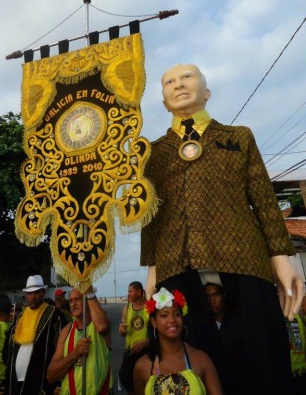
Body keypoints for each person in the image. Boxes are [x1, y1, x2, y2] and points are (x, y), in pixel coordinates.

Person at [141, 63, 304, 394]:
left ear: (207, 91)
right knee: (188, 350)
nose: (178, 85)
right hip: (176, 261)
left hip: (243, 257)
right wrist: (152, 266)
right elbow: (151, 213)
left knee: (261, 351)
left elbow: (262, 198)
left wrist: (280, 255)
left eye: (187, 77)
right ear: (163, 101)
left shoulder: (237, 137)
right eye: (169, 82)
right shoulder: (153, 153)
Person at [133, 287, 222, 395]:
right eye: (164, 315)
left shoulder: (201, 359)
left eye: (177, 314)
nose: (172, 320)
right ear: (153, 322)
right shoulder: (143, 366)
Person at [4, 274, 66, 395]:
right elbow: (9, 345)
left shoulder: (53, 315)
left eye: (36, 292)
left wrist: (57, 381)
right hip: (16, 381)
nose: (32, 297)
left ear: (43, 293)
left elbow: (61, 346)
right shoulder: (21, 316)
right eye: (29, 293)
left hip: (40, 381)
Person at [47, 286, 112, 394]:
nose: (73, 304)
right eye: (71, 300)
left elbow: (103, 326)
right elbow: (51, 375)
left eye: (77, 299)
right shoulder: (66, 332)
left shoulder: (98, 326)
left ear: (87, 301)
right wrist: (75, 354)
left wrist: (89, 292)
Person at [118, 281, 149, 393]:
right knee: (124, 376)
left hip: (145, 351)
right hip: (130, 351)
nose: (128, 294)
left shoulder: (148, 308)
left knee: (144, 380)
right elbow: (123, 331)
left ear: (139, 292)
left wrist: (146, 342)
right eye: (128, 291)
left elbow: (156, 332)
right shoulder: (126, 309)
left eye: (130, 291)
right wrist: (121, 330)